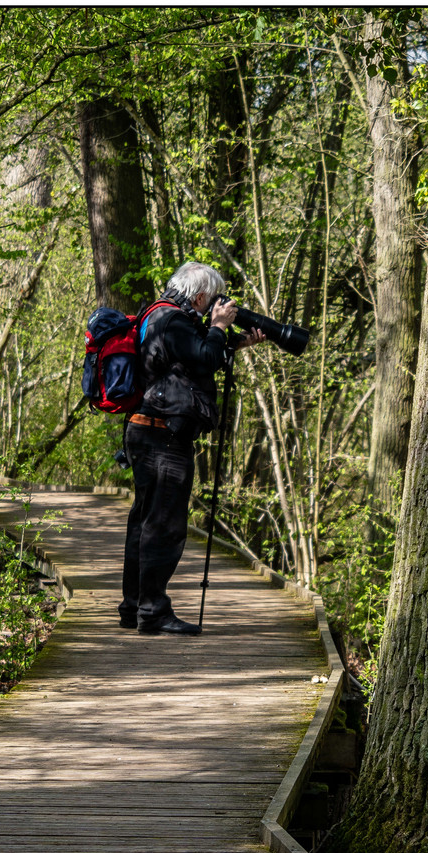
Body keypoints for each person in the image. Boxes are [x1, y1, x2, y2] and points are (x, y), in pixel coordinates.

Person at [118, 262, 263, 634]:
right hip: (163, 437)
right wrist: (217, 328)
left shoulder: (158, 315)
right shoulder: (175, 321)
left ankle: (134, 607)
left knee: (145, 521)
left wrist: (233, 342)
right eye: (212, 299)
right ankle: (152, 612)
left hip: (146, 431)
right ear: (200, 296)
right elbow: (204, 355)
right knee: (164, 525)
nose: (215, 305)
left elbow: (192, 361)